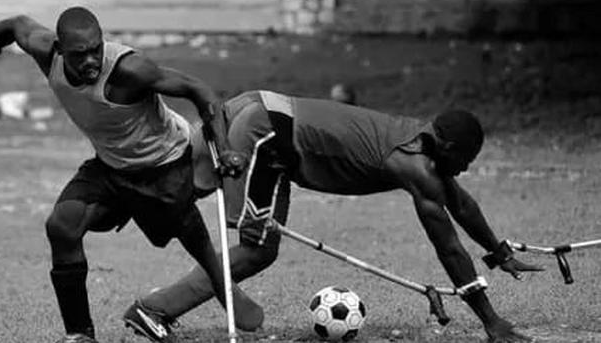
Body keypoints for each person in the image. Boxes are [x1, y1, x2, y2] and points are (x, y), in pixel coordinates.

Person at [0, 7, 256, 343]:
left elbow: (197, 89)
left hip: (164, 163)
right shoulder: (46, 52)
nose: (91, 61)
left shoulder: (129, 70)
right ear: (61, 50)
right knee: (62, 226)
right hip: (111, 166)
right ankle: (80, 335)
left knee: (185, 228)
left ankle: (220, 282)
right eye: (79, 55)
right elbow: (13, 26)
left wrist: (225, 147)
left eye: (96, 49)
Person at [131, 90, 543, 343]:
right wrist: (492, 321)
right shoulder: (414, 166)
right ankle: (155, 310)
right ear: (447, 147)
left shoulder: (419, 140)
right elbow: (449, 247)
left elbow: (462, 204)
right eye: (466, 160)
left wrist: (498, 251)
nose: (466, 169)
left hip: (261, 108)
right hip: (266, 133)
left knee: (179, 193)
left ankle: (137, 235)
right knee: (256, 250)